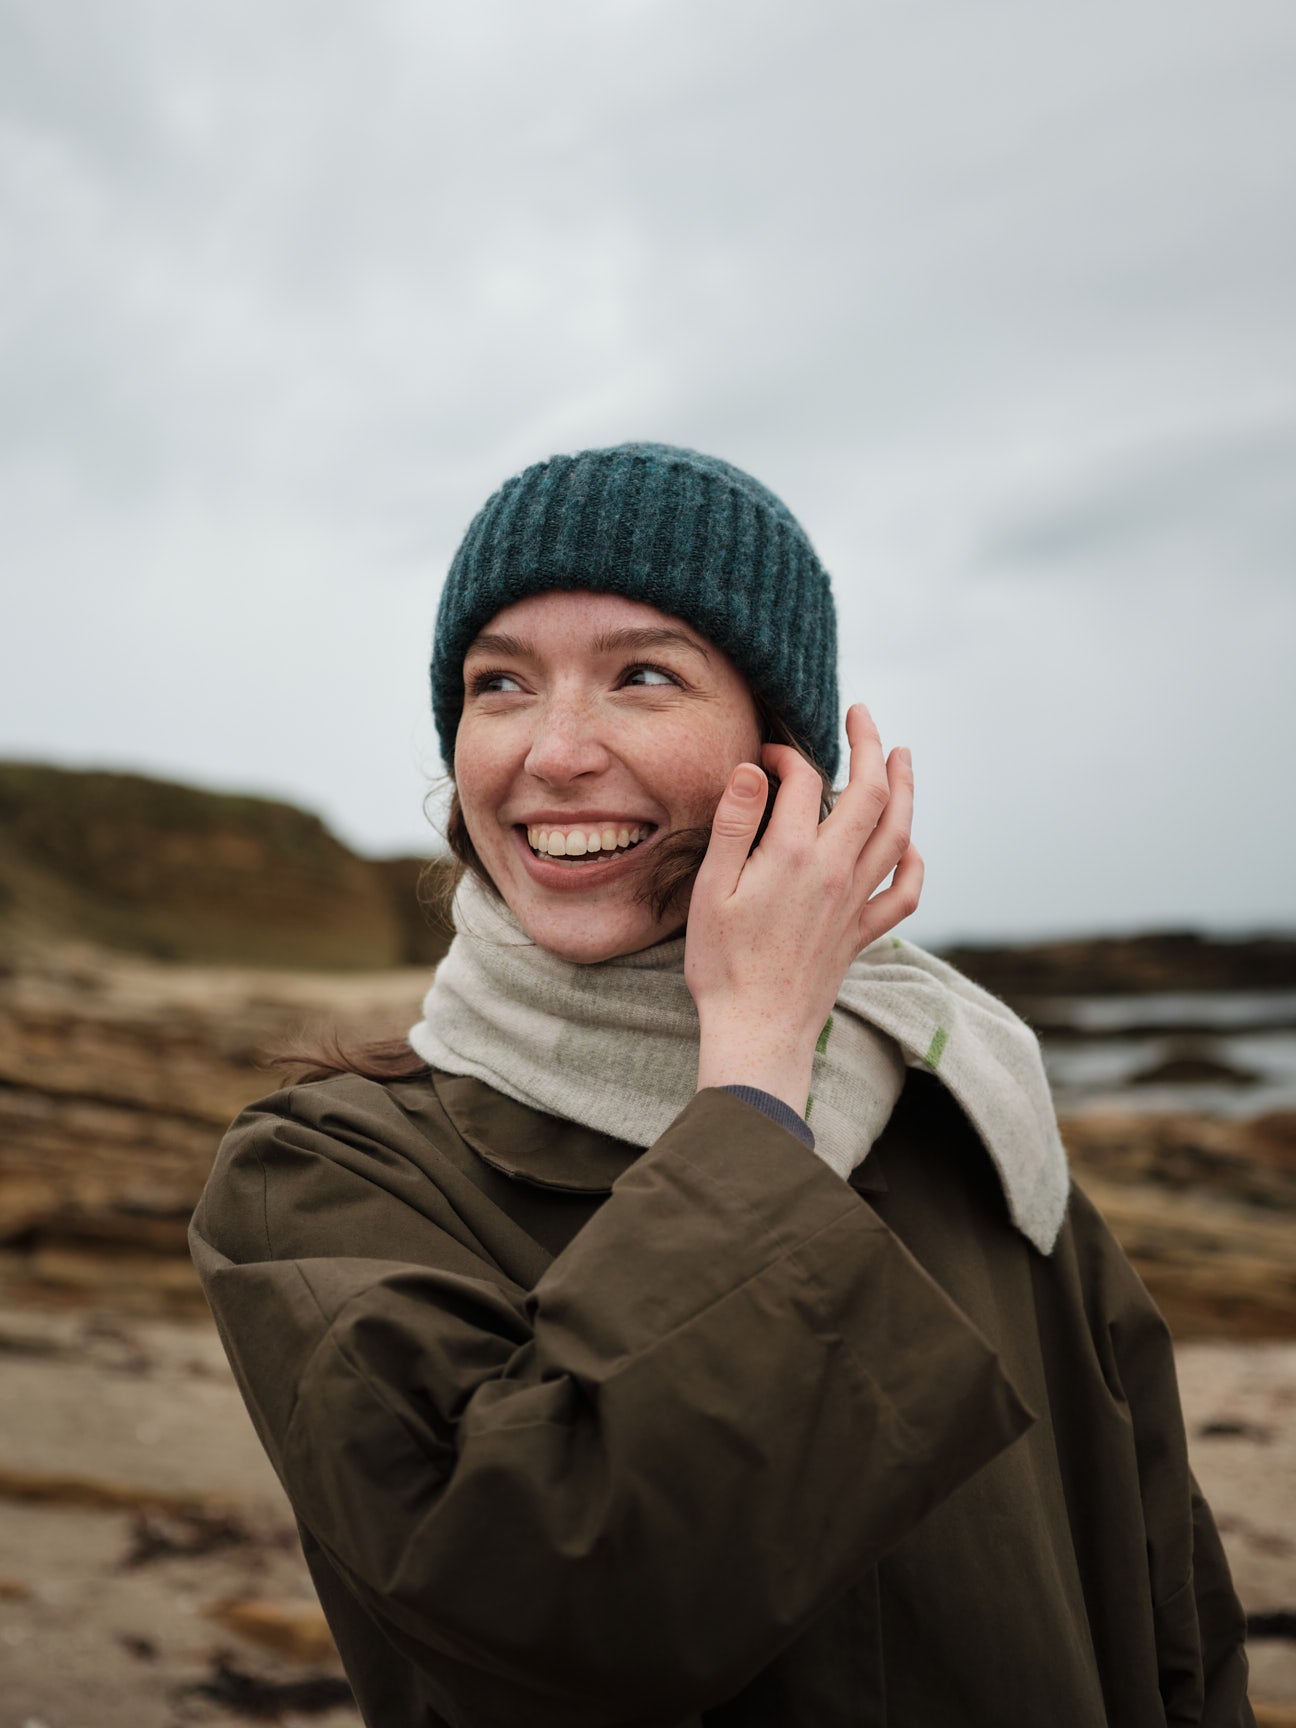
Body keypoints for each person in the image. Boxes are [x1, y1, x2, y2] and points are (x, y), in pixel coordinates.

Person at [189, 442, 1254, 1728]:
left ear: (790, 753)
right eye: (499, 684)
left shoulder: (966, 1103)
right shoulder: (320, 1173)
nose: (556, 751)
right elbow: (560, 1621)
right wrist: (751, 1072)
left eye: (643, 674)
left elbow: (1165, 1606)